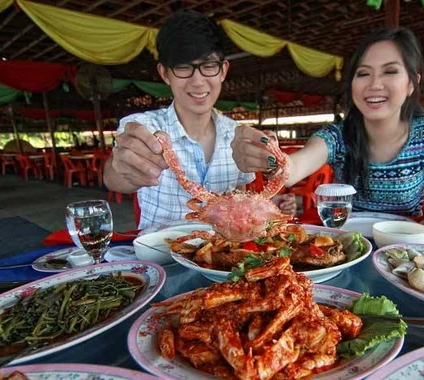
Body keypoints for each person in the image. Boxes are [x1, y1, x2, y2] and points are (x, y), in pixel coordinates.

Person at [231, 27, 424, 241]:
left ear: (411, 83)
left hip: (405, 248)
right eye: (363, 73)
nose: (374, 84)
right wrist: (269, 156)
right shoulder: (337, 136)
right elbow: (292, 168)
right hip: (348, 246)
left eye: (390, 71)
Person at [103, 10, 295, 229]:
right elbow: (113, 178)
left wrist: (261, 206)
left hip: (221, 258)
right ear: (165, 73)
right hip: (159, 256)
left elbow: (238, 198)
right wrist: (123, 167)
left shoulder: (240, 136)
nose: (197, 81)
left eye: (208, 66)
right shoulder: (144, 127)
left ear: (222, 71)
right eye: (183, 68)